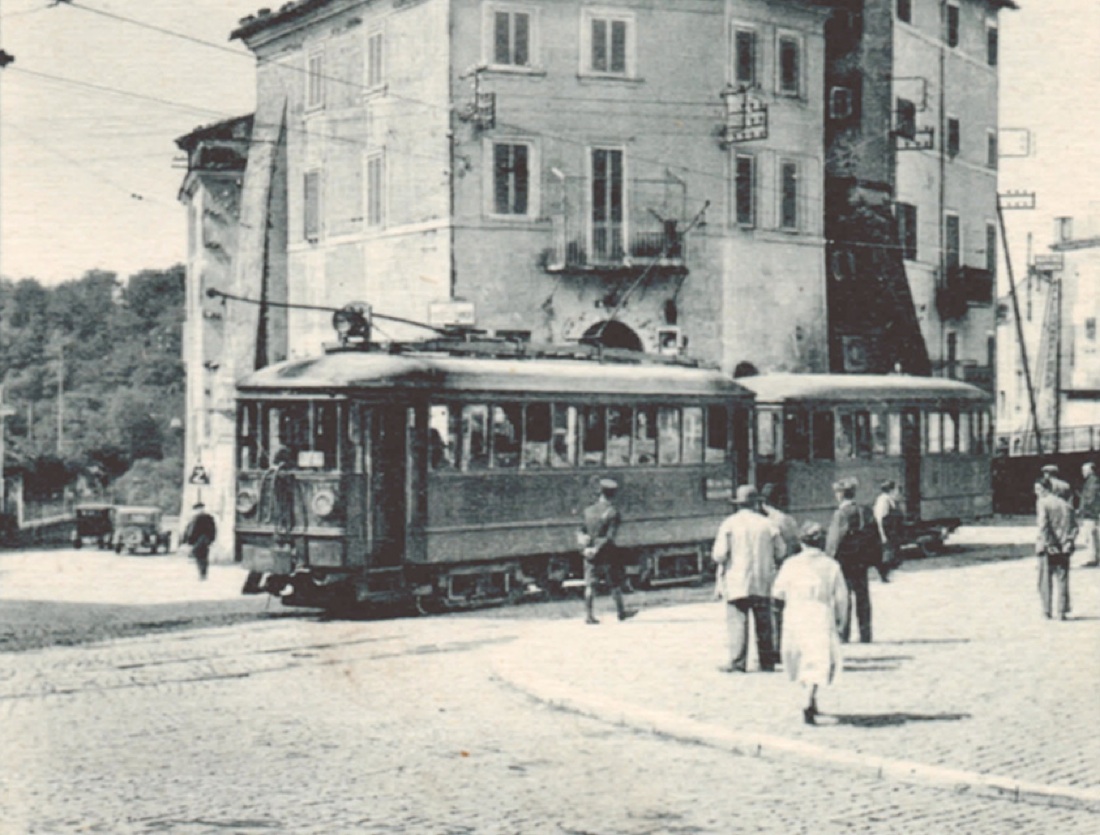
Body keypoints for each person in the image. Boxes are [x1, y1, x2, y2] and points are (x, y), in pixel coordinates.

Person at [772, 522, 849, 726]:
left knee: (800, 657)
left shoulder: (791, 564)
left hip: (795, 613)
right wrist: (842, 621)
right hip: (820, 613)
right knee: (819, 658)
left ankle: (809, 699)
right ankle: (809, 700)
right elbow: (842, 597)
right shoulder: (831, 566)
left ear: (802, 543)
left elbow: (777, 592)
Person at [711, 484, 784, 673]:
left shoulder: (729, 524)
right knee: (764, 622)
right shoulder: (768, 524)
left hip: (737, 581)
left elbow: (719, 554)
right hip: (762, 580)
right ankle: (766, 661)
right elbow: (781, 551)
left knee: (737, 621)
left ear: (738, 504)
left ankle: (738, 662)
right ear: (756, 504)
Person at [825, 477, 880, 644]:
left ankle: (844, 632)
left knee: (844, 597)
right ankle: (866, 633)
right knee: (863, 597)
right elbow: (874, 537)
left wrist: (829, 559)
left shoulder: (840, 514)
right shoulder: (865, 510)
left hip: (844, 562)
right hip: (861, 562)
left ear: (841, 494)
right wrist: (874, 560)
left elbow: (835, 540)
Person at [577, 478, 636, 625]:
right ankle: (621, 613)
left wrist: (585, 548)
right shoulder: (613, 512)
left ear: (599, 493)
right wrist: (597, 548)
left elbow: (580, 530)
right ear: (613, 494)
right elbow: (609, 537)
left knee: (590, 584)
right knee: (614, 583)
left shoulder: (588, 511)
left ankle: (589, 616)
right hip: (607, 553)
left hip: (589, 553)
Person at [760, 483, 800, 665]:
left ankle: (776, 650)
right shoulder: (789, 520)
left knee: (774, 611)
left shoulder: (767, 522)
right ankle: (788, 648)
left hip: (775, 569)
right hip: (791, 569)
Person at [1035, 480, 1077, 620]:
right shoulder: (1067, 505)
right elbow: (1075, 527)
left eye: (1038, 489)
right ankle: (1061, 611)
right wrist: (1069, 541)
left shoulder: (1043, 503)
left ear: (1048, 489)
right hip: (1064, 547)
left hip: (1048, 547)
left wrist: (1048, 544)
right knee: (1063, 579)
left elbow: (1043, 525)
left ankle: (1047, 611)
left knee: (1045, 580)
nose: (1036, 492)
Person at [872, 480, 905, 582]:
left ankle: (887, 575)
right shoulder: (883, 500)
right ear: (891, 490)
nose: (897, 491)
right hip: (886, 532)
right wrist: (882, 535)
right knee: (887, 554)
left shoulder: (890, 500)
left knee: (892, 554)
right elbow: (880, 518)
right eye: (895, 489)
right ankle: (884, 575)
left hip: (891, 532)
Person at [182, 501, 217, 581]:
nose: (198, 510)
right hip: (201, 540)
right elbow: (189, 530)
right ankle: (202, 573)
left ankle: (202, 573)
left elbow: (193, 530)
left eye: (199, 509)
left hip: (201, 539)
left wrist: (189, 540)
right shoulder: (199, 518)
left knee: (200, 556)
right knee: (202, 557)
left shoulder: (202, 518)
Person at [1077, 462, 1100, 567]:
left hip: (1090, 514)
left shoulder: (1092, 482)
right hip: (1091, 513)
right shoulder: (1091, 481)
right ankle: (1095, 557)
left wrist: (1081, 510)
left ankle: (1092, 559)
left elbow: (1090, 498)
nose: (1082, 473)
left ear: (1090, 470)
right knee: (1093, 536)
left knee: (1090, 536)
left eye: (1084, 470)